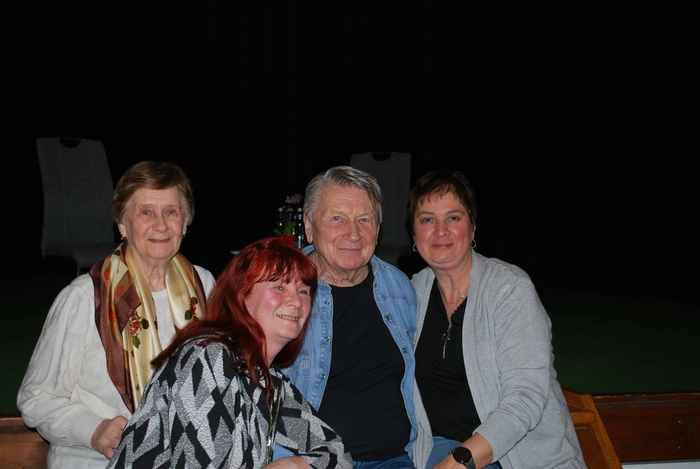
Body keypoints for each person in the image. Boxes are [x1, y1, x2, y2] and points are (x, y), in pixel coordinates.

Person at [17, 161, 216, 468]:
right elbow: (36, 399)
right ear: (122, 224)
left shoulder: (205, 285)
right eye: (145, 212)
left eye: (171, 212)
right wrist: (94, 430)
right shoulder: (84, 297)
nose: (161, 225)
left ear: (186, 222)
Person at [107, 237, 352, 469]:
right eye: (279, 286)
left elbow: (337, 453)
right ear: (242, 296)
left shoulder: (270, 384)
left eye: (303, 291)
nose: (296, 302)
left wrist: (299, 464)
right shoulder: (207, 359)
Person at [408, 170, 585, 469]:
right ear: (414, 233)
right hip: (435, 449)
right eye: (427, 219)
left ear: (473, 227)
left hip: (516, 458)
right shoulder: (412, 292)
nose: (440, 230)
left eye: (453, 218)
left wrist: (458, 462)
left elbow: (525, 398)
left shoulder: (509, 287)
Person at [275, 166, 430, 469]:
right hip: (307, 459)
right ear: (309, 226)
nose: (353, 234)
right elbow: (257, 386)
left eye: (364, 220)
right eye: (337, 218)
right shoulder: (279, 292)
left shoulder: (399, 288)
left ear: (378, 227)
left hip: (392, 460)